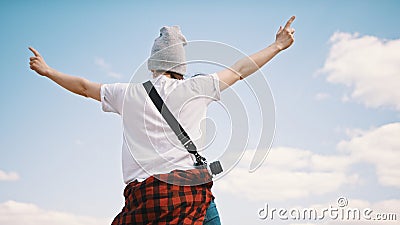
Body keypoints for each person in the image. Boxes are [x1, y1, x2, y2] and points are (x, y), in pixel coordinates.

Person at [29, 16, 295, 225]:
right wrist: (277, 46)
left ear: (152, 64)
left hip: (144, 201)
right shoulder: (196, 88)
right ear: (181, 66)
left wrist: (49, 71)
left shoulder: (128, 93)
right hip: (190, 196)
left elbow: (85, 87)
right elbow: (239, 70)